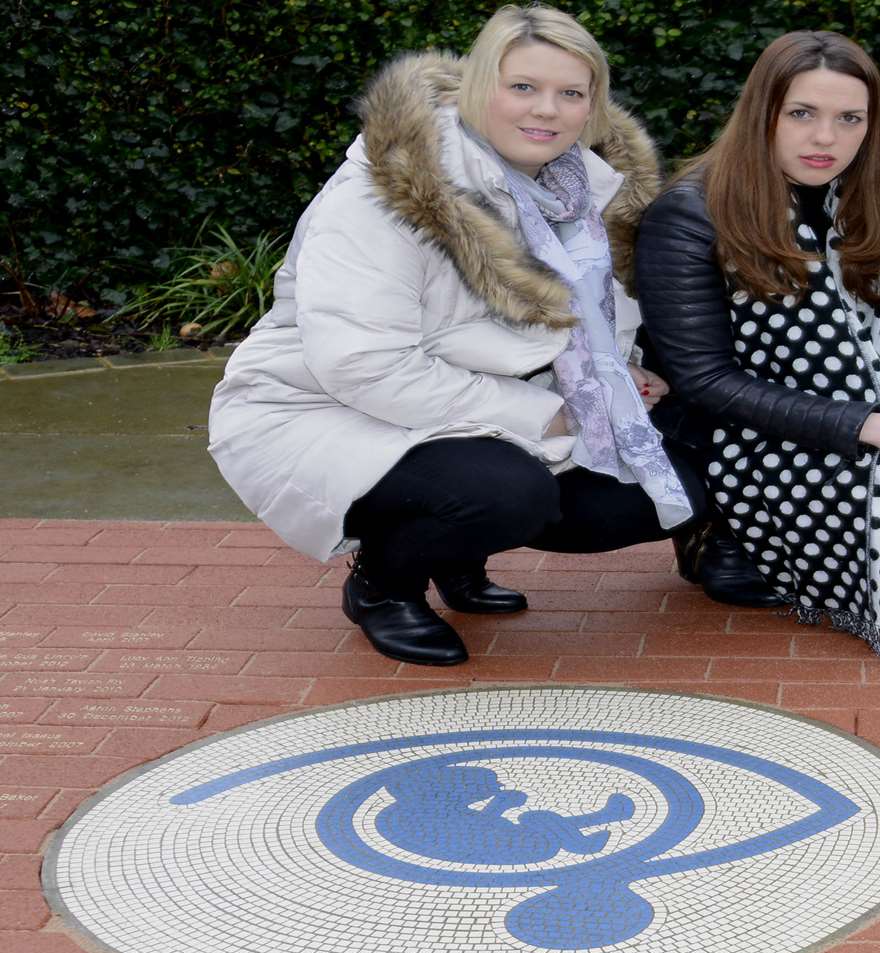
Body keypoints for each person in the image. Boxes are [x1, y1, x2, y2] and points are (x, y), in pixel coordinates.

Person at [209, 5, 702, 666]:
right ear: (477, 89)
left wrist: (626, 369)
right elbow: (362, 364)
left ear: (593, 107)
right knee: (504, 493)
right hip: (322, 408)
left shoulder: (577, 194)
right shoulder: (387, 194)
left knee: (659, 489)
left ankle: (456, 553)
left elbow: (597, 318)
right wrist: (550, 412)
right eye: (522, 87)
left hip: (468, 406)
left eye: (570, 93)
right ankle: (384, 587)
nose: (547, 110)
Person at [633, 30, 880, 660]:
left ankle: (817, 532)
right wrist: (872, 427)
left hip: (869, 383)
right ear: (762, 113)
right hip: (730, 416)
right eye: (802, 114)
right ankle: (729, 531)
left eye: (850, 118)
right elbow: (705, 380)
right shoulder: (692, 211)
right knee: (868, 453)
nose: (826, 139)